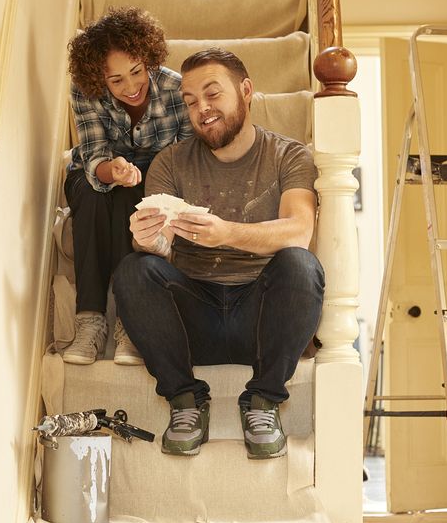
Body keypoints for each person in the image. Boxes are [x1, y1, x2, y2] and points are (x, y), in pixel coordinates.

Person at [114, 48, 324, 459]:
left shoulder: (290, 155)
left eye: (212, 95)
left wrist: (227, 233)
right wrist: (146, 238)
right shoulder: (170, 162)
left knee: (301, 265)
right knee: (133, 269)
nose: (201, 110)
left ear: (246, 91)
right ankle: (186, 401)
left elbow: (299, 230)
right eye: (190, 102)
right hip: (194, 320)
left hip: (264, 320)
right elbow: (161, 248)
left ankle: (263, 402)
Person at [60, 8, 193, 366]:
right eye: (116, 81)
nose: (131, 87)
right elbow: (93, 159)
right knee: (91, 194)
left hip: (155, 176)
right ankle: (90, 321)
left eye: (136, 72)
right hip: (98, 172)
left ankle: (129, 324)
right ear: (98, 79)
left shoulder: (177, 89)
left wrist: (143, 180)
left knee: (135, 200)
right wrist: (112, 171)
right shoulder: (84, 92)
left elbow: (184, 160)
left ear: (148, 58)